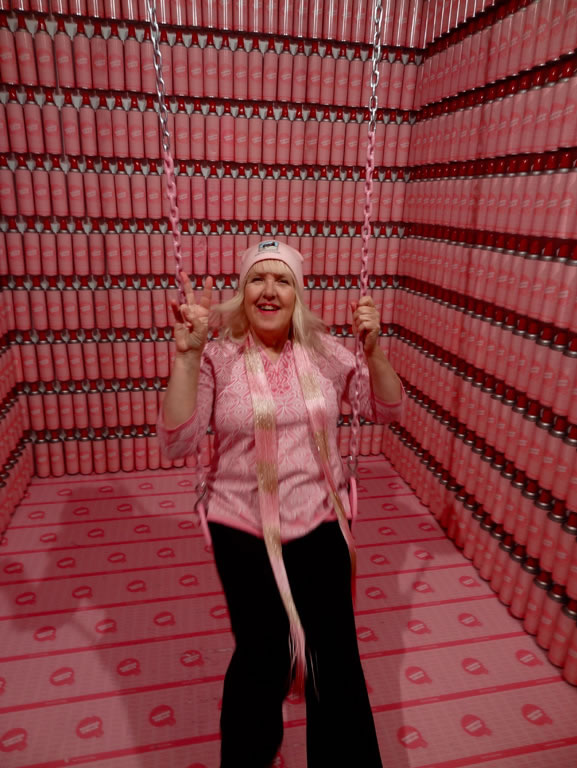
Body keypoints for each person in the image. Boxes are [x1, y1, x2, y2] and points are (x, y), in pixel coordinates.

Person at [157, 239, 403, 768]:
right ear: (242, 291)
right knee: (264, 654)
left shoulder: (326, 352)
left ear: (298, 294)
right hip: (241, 522)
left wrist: (375, 350)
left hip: (319, 516)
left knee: (334, 657)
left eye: (282, 280)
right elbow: (177, 441)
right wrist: (187, 357)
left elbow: (386, 408)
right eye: (257, 279)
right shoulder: (218, 358)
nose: (269, 291)